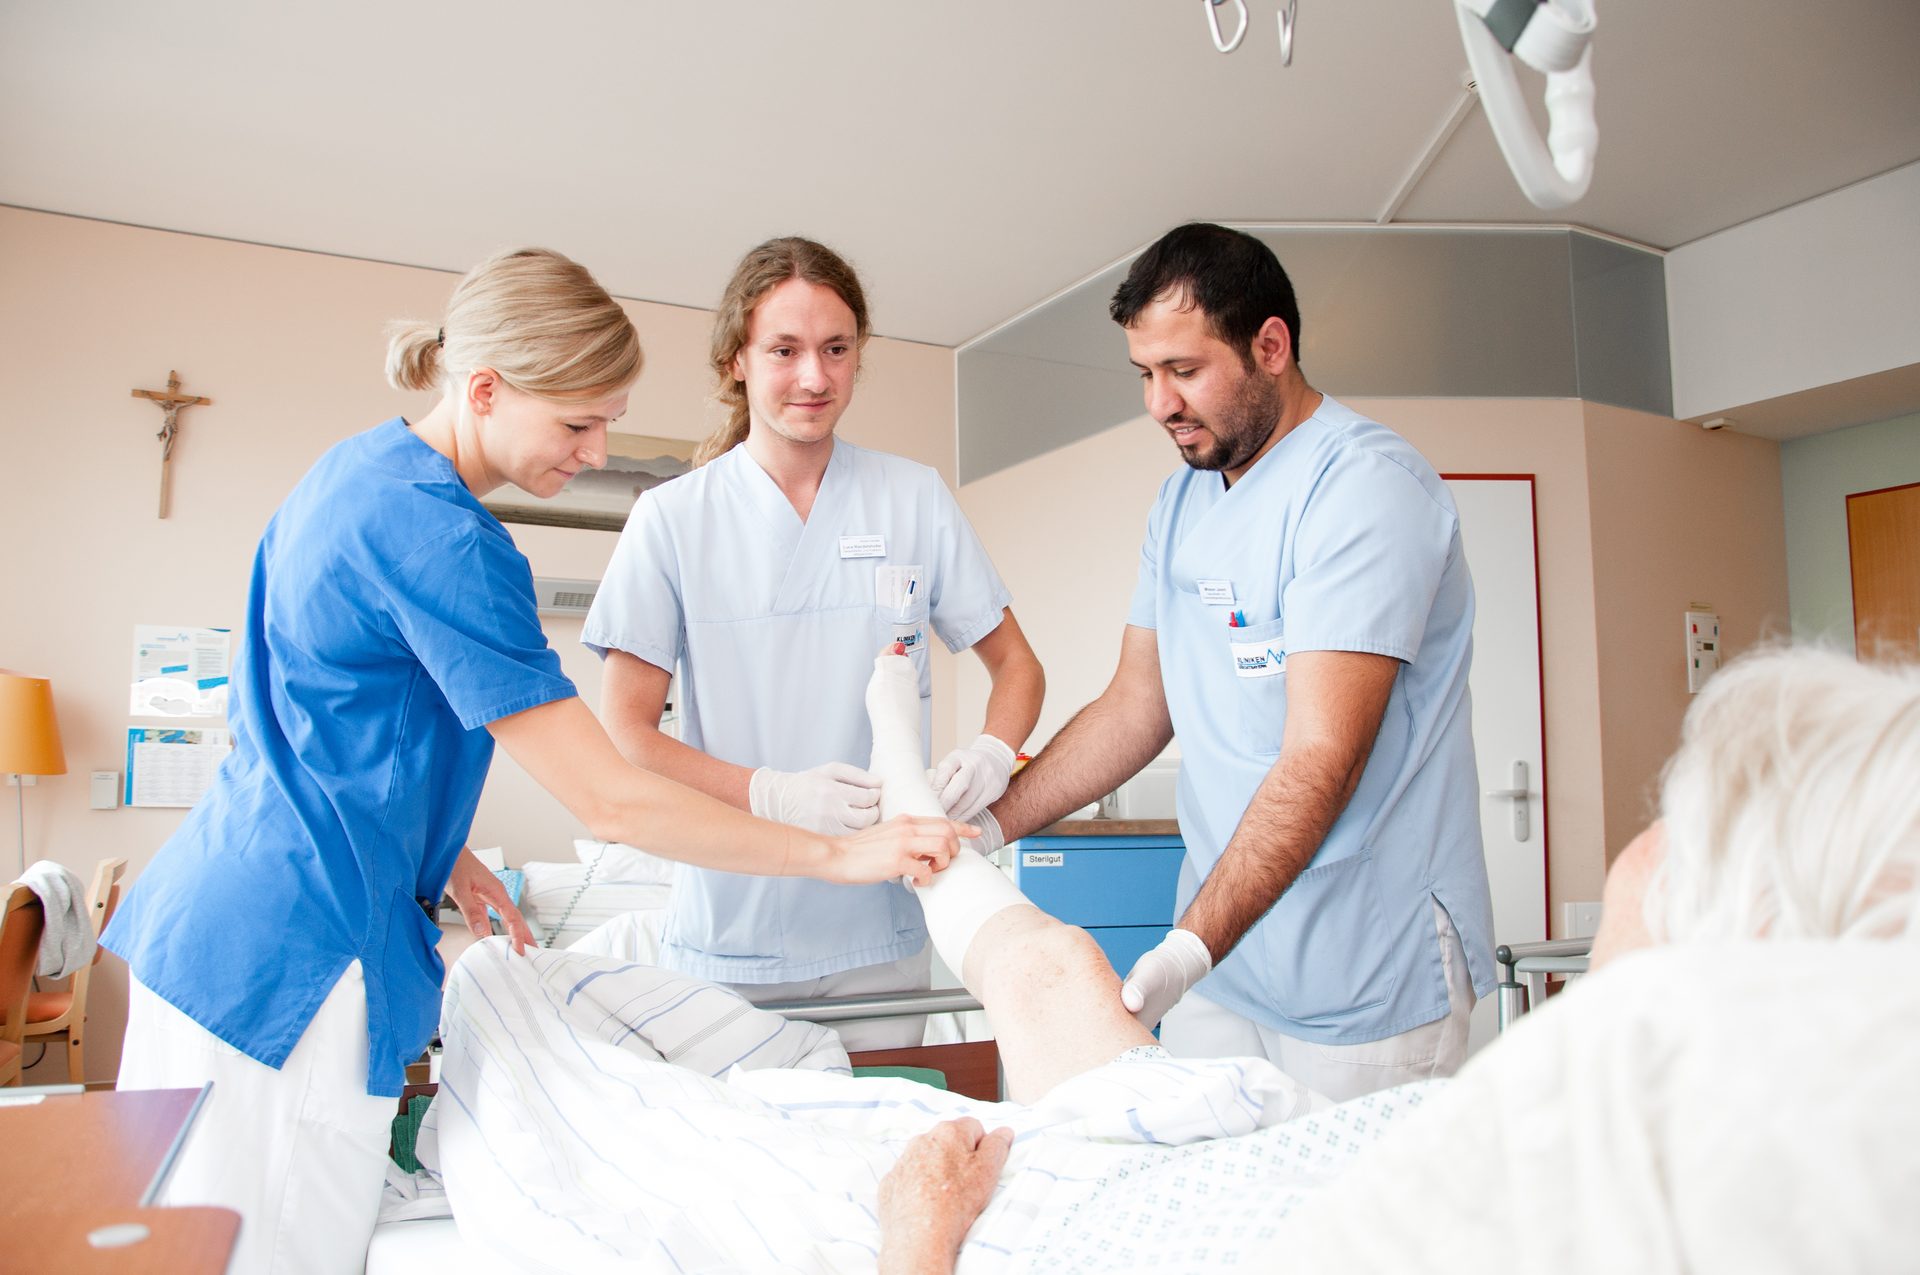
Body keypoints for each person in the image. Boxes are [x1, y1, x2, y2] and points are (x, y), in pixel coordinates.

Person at [102, 248, 962, 1275]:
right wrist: (839, 856)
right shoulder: (447, 541)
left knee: (182, 1243)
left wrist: (442, 851)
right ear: (482, 388)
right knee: (271, 1253)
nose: (598, 451)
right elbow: (610, 799)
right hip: (292, 958)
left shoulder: (355, 472)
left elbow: (313, 712)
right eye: (578, 423)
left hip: (216, 924)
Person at [874, 646, 1920, 1273]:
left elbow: (1322, 754)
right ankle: (909, 797)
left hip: (1076, 1220)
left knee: (1050, 973)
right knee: (1059, 968)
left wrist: (919, 1243)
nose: (1640, 849)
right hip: (1224, 1161)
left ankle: (902, 791)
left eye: (1682, 824)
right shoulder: (1598, 1149)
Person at [975, 222, 1495, 1101]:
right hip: (1229, 960)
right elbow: (1137, 704)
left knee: (1342, 1232)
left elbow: (1322, 756)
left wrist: (1189, 945)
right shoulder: (1182, 502)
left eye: (1184, 369)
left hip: (1362, 964)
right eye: (1145, 374)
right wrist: (988, 821)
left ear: (1271, 345)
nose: (1159, 403)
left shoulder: (1362, 487)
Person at [582, 236, 1044, 1048]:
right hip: (731, 929)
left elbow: (1017, 666)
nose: (815, 377)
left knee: (882, 1154)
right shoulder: (674, 520)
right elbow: (626, 735)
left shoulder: (913, 498)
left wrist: (992, 755)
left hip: (883, 929)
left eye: (836, 350)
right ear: (736, 360)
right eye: (785, 350)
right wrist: (772, 794)